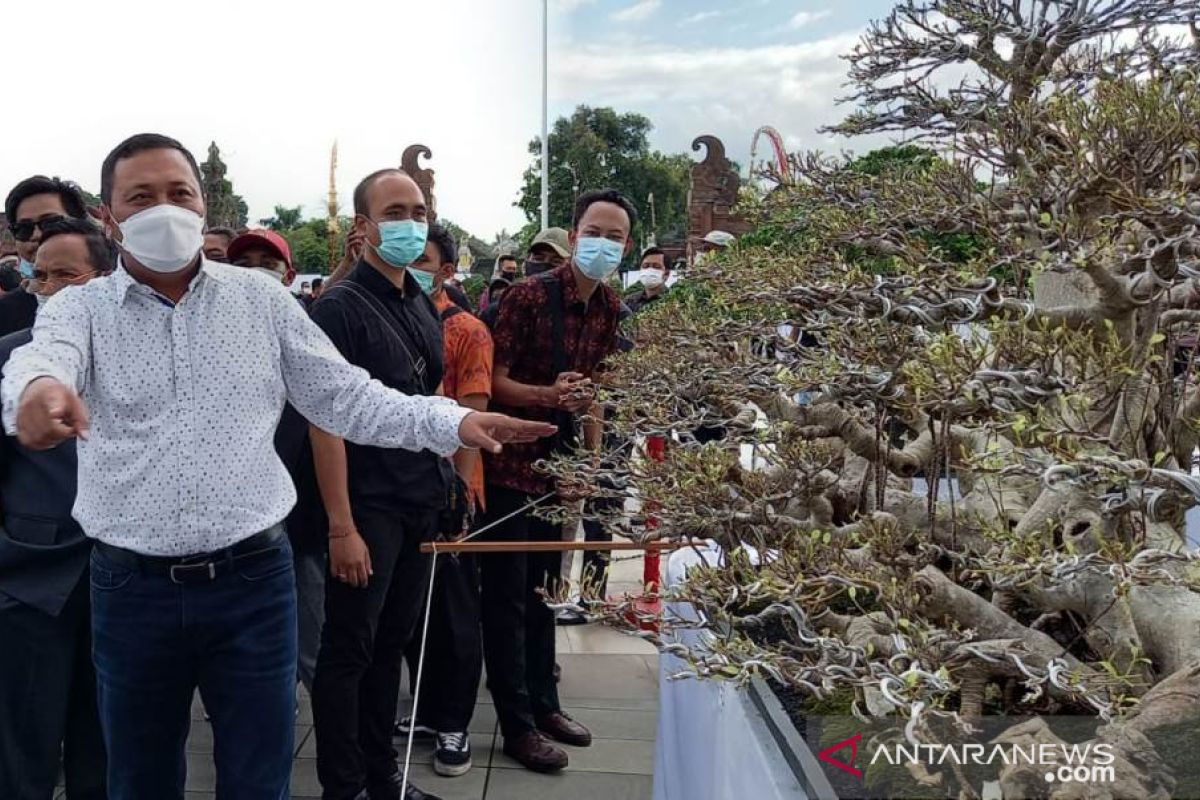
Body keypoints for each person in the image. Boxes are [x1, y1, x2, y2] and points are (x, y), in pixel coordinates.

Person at [0, 133, 554, 800]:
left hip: (253, 585)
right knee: (140, 778)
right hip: (131, 590)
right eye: (141, 197)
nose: (164, 209)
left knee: (259, 777)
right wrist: (35, 395)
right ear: (110, 216)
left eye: (179, 193)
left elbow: (345, 396)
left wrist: (452, 422)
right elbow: (40, 358)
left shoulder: (260, 303)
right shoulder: (80, 311)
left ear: (202, 205)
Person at [307, 169, 458, 800]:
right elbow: (324, 420)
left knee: (392, 641)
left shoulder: (417, 298)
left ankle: (382, 773)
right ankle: (345, 785)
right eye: (394, 211)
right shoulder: (339, 308)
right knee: (349, 653)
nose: (410, 223)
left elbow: (428, 398)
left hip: (417, 496)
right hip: (366, 505)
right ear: (362, 227)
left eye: (418, 210)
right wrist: (341, 526)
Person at [480, 189, 631, 772]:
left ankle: (545, 705)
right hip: (507, 468)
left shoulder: (613, 310)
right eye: (595, 231)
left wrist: (588, 467)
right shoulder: (527, 296)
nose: (604, 243)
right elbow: (492, 381)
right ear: (573, 237)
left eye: (616, 236)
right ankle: (515, 724)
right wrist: (547, 397)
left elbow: (596, 396)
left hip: (557, 475)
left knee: (547, 597)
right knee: (506, 601)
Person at [0, 216, 115, 800]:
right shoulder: (9, 358)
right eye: (38, 275)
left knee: (106, 742)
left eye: (65, 275)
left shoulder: (133, 354)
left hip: (122, 578)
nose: (47, 289)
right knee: (23, 746)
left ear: (103, 277)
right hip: (29, 581)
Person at [397, 224, 492, 778]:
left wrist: (460, 495)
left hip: (450, 489)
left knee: (456, 615)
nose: (412, 264)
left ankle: (455, 720)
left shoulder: (467, 332)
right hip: (399, 490)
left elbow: (470, 423)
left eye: (423, 258)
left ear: (447, 270)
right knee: (412, 612)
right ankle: (428, 710)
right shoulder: (393, 316)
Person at [1, 176, 90, 337]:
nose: (37, 235)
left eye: (51, 223)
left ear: (82, 225)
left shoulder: (125, 297)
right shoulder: (5, 314)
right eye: (23, 228)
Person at [625, 246, 671, 314]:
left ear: (666, 274)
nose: (649, 270)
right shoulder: (629, 301)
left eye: (656, 266)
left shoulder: (673, 301)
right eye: (645, 266)